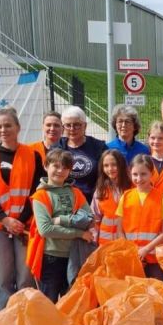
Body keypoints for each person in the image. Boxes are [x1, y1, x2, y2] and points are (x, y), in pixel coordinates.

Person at [0, 107, 44, 310]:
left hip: (24, 225)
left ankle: (27, 320)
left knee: (26, 278)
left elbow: (37, 190)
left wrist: (20, 220)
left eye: (8, 125)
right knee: (4, 279)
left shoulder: (33, 155)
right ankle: (8, 323)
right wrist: (5, 220)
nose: (3, 130)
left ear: (18, 127)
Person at [27, 149, 93, 303]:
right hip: (51, 257)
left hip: (75, 256)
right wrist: (79, 233)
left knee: (71, 303)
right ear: (46, 166)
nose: (60, 171)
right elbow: (46, 229)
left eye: (65, 167)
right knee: (49, 304)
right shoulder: (41, 196)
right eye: (56, 166)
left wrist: (60, 220)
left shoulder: (76, 192)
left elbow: (89, 218)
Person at [59, 105, 108, 282]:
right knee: (69, 266)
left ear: (85, 126)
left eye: (77, 125)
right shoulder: (59, 147)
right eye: (68, 125)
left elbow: (105, 176)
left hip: (90, 213)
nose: (72, 129)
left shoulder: (98, 147)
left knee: (90, 263)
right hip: (65, 212)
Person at [116, 154, 163, 281]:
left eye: (143, 174)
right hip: (131, 257)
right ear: (130, 174)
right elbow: (120, 230)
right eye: (135, 174)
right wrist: (131, 250)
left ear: (152, 174)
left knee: (155, 294)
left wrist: (146, 249)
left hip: (153, 258)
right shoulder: (126, 197)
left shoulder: (161, 198)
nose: (139, 178)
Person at [92, 149, 132, 246]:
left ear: (121, 165)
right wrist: (94, 239)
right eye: (106, 165)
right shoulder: (101, 189)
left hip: (128, 241)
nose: (110, 169)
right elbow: (95, 217)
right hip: (106, 243)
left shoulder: (132, 187)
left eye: (114, 164)